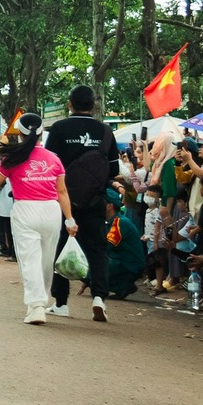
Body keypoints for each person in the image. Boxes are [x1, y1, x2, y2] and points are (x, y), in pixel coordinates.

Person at [0, 113, 77, 324]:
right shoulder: (54, 159)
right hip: (51, 211)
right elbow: (62, 192)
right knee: (46, 260)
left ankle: (36, 306)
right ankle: (41, 301)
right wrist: (69, 219)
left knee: (29, 259)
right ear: (41, 132)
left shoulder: (12, 158)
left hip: (25, 210)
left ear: (19, 133)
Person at [47, 85, 120, 322]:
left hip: (63, 200)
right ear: (94, 104)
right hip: (95, 201)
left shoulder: (59, 129)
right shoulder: (105, 131)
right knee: (98, 250)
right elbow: (113, 170)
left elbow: (50, 167)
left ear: (70, 104)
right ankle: (99, 297)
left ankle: (61, 303)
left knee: (60, 247)